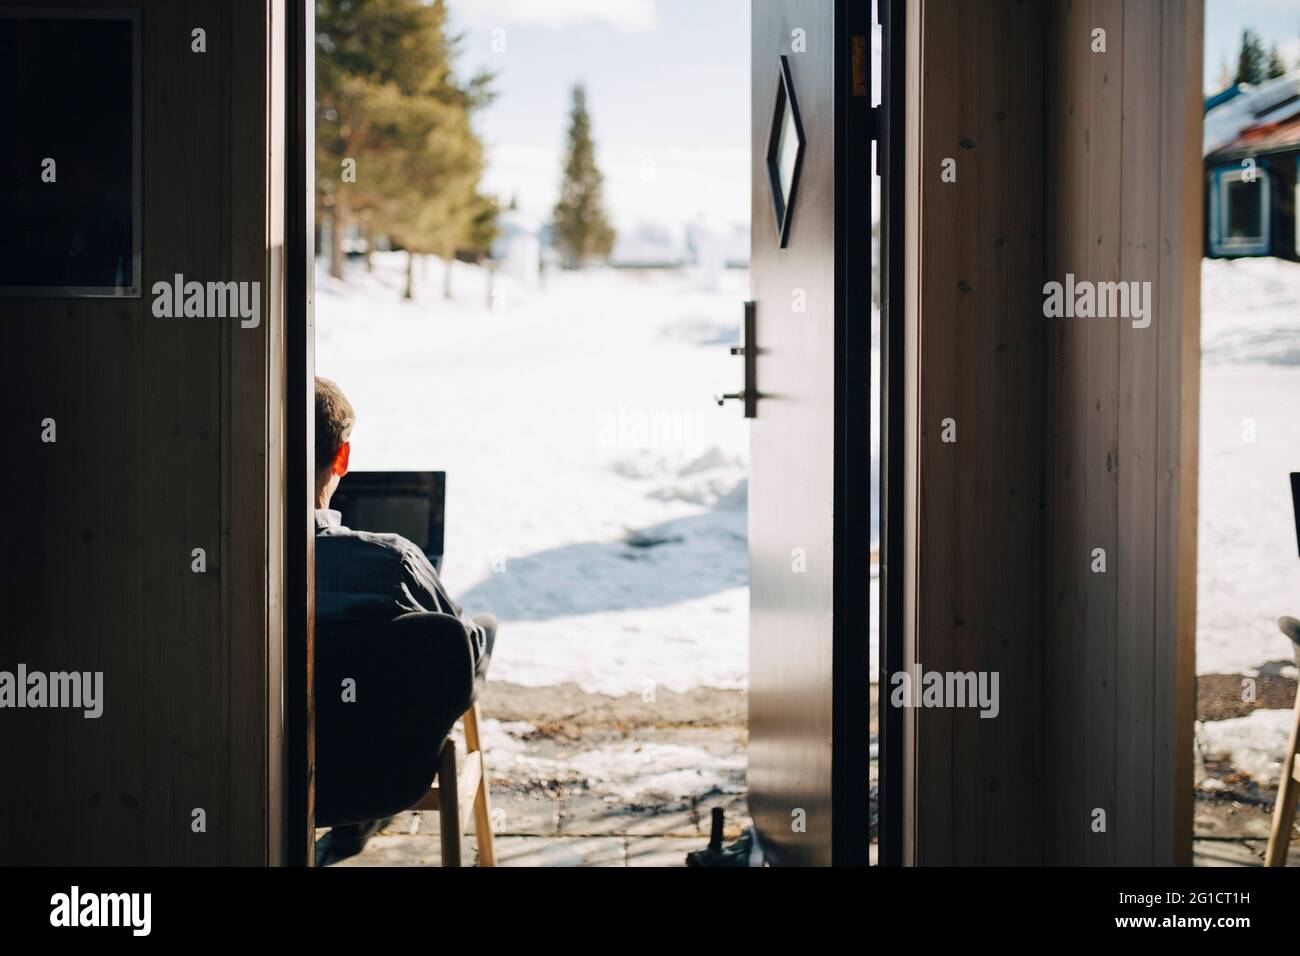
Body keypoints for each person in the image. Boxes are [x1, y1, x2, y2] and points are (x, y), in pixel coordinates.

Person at [312, 376, 495, 864]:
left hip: (254, 773)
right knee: (470, 635)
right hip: (384, 778)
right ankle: (358, 820)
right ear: (342, 458)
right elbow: (457, 657)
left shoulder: (221, 578)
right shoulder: (392, 563)